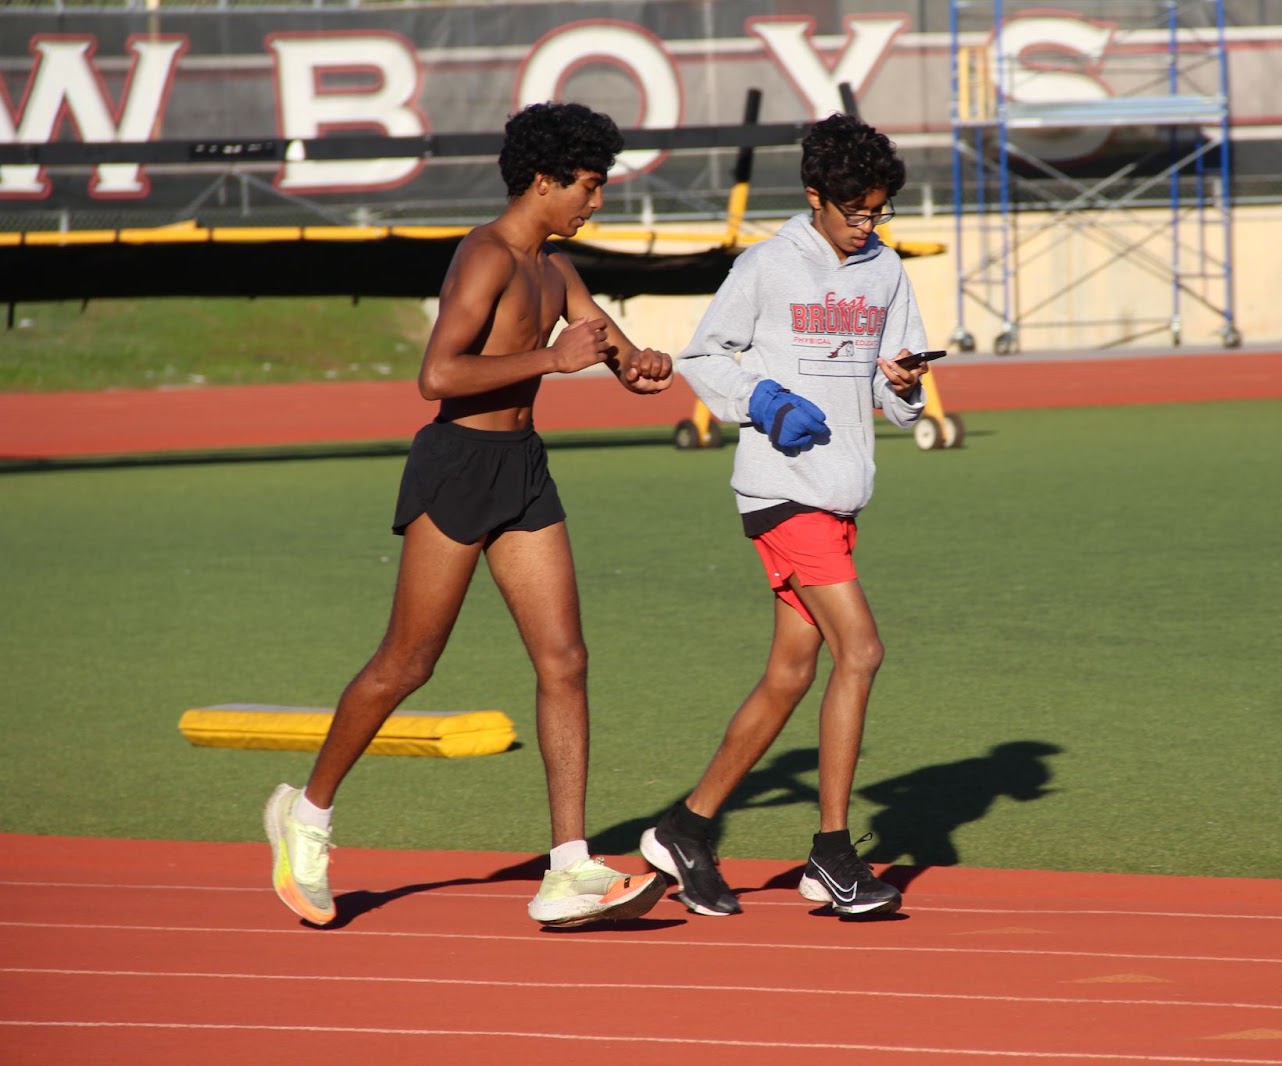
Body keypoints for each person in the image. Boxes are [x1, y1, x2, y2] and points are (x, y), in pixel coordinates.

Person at [264, 101, 673, 929]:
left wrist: (638, 362)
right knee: (408, 663)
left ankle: (567, 868)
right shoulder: (484, 257)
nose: (597, 203)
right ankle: (305, 816)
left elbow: (606, 341)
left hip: (522, 471)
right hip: (456, 470)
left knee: (565, 658)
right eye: (590, 188)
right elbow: (438, 376)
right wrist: (554, 359)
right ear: (545, 180)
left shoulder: (556, 268)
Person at [640, 113, 930, 917]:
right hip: (781, 489)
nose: (869, 225)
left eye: (879, 211)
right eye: (856, 211)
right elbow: (704, 356)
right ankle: (832, 855)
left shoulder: (887, 275)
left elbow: (892, 382)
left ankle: (686, 827)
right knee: (862, 651)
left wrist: (902, 386)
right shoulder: (768, 267)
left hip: (841, 490)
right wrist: (759, 399)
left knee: (791, 673)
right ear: (816, 198)